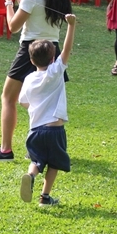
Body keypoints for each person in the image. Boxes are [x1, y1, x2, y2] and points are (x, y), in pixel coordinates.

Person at [0, 0, 73, 162]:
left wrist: (8, 3)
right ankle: (47, 148)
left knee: (8, 98)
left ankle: (6, 150)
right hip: (53, 49)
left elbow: (13, 26)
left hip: (30, 49)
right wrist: (22, 0)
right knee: (47, 102)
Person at [17, 12, 77, 207]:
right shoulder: (55, 72)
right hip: (54, 129)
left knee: (37, 159)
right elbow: (67, 50)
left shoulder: (28, 79)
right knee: (54, 163)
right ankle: (45, 197)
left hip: (35, 130)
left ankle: (30, 174)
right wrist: (71, 26)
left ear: (32, 60)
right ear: (53, 58)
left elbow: (23, 102)